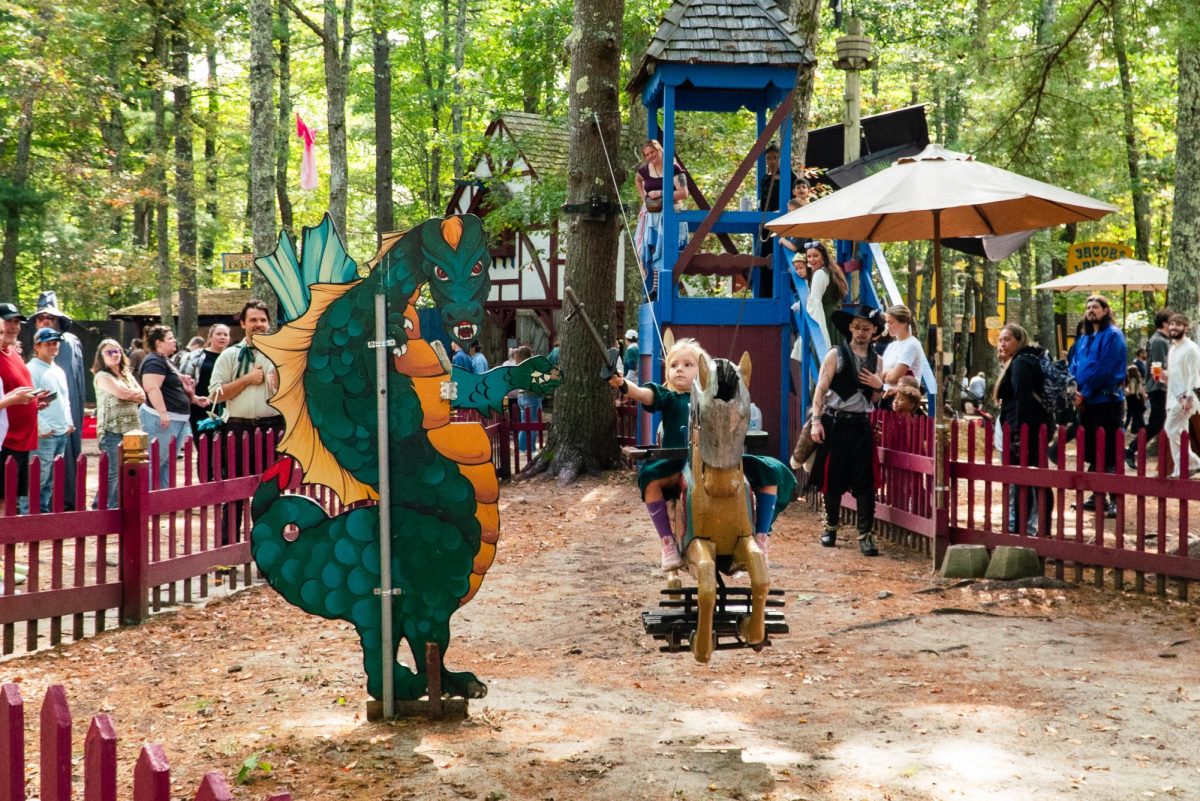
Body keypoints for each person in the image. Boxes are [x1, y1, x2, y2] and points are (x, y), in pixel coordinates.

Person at [608, 338, 794, 568]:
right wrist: (623, 384)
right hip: (677, 464)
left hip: (718, 461)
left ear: (703, 372)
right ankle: (667, 543)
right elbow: (642, 394)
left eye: (688, 365)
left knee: (772, 472)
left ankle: (761, 537)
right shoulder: (668, 397)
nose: (679, 369)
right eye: (674, 365)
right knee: (649, 480)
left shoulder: (715, 399)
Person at [807, 304, 886, 556]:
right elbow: (820, 388)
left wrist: (879, 384)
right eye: (856, 327)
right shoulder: (836, 355)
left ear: (874, 330)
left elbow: (874, 400)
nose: (861, 333)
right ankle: (830, 526)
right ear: (850, 328)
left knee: (866, 482)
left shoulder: (878, 360)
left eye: (866, 328)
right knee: (833, 478)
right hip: (836, 422)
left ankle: (865, 535)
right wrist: (817, 421)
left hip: (861, 425)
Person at [208, 300, 283, 545]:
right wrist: (247, 380)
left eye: (262, 320)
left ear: (269, 322)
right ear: (243, 324)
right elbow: (215, 395)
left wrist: (279, 384)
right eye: (253, 320)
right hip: (237, 431)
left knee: (269, 494)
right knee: (234, 493)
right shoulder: (230, 355)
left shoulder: (280, 354)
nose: (259, 324)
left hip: (271, 430)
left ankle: (266, 553)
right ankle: (228, 553)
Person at [994, 324, 1054, 535]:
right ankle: (1033, 527)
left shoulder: (1021, 363)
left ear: (1019, 341)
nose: (1002, 344)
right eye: (1000, 339)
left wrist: (1019, 435)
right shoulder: (1023, 361)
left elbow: (1023, 400)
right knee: (1035, 479)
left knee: (1026, 481)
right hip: (1030, 429)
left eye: (1007, 339)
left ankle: (1023, 529)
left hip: (1027, 431)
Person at [1070, 295, 1126, 515]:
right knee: (1094, 451)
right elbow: (1075, 364)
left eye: (1095, 307)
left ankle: (1114, 499)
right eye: (1088, 307)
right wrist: (1074, 389)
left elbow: (1104, 369)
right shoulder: (1085, 338)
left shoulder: (1113, 335)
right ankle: (1097, 496)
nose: (1091, 310)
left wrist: (1086, 392)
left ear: (1105, 310)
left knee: (1109, 450)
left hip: (1105, 401)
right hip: (1086, 401)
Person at [31, 292, 86, 510]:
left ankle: (60, 504)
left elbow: (70, 390)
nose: (45, 320)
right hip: (39, 422)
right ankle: (35, 510)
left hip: (60, 421)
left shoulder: (68, 344)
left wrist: (67, 420)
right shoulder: (30, 345)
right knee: (40, 470)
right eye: (41, 317)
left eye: (50, 317)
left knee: (56, 467)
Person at [138, 325, 197, 489]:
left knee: (167, 463)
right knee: (155, 461)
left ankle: (161, 500)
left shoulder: (166, 361)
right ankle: (147, 498)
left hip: (176, 419)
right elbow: (152, 387)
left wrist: (194, 397)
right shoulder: (153, 361)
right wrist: (163, 413)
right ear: (158, 342)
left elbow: (173, 389)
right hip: (161, 419)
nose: (174, 341)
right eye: (170, 338)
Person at [91, 337, 145, 508]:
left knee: (127, 471)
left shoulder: (126, 374)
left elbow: (142, 395)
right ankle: (105, 506)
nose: (114, 355)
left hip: (132, 430)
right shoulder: (102, 375)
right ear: (101, 356)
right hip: (112, 430)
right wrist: (131, 394)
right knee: (113, 472)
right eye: (109, 352)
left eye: (117, 351)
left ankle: (112, 505)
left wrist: (131, 393)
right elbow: (122, 393)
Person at [0, 303, 43, 513]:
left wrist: (34, 402)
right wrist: (14, 400)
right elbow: (9, 397)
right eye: (8, 321)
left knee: (10, 500)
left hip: (20, 441)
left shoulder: (14, 354)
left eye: (17, 322)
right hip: (4, 440)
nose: (13, 327)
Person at [27, 327, 73, 513]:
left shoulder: (58, 370)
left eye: (55, 343)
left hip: (61, 431)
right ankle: (30, 515)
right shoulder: (31, 369)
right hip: (44, 433)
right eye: (48, 344)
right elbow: (29, 402)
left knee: (50, 480)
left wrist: (68, 422)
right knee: (38, 478)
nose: (53, 347)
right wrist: (42, 427)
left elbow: (64, 398)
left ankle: (43, 514)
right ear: (37, 346)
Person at [635, 139, 688, 299]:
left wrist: (660, 193)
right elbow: (637, 180)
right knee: (651, 247)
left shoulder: (673, 168)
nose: (651, 156)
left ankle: (664, 287)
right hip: (652, 216)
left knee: (665, 249)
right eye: (647, 154)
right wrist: (645, 199)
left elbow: (683, 193)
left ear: (660, 150)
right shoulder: (645, 170)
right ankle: (657, 287)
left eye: (653, 152)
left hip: (670, 214)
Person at [1128, 310, 1171, 468]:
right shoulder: (1159, 341)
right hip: (1159, 388)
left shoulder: (1161, 340)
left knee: (1162, 423)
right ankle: (1131, 449)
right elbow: (1157, 367)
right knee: (1157, 423)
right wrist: (1165, 383)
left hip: (1159, 387)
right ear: (1165, 323)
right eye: (1171, 322)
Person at [1162, 312, 1200, 478]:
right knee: (1178, 432)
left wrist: (1190, 398)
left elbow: (1195, 375)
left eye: (1178, 324)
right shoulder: (1172, 350)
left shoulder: (1191, 349)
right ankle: (1182, 468)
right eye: (1171, 324)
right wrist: (1164, 376)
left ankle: (1194, 462)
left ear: (1186, 327)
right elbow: (1176, 375)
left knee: (1170, 428)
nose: (1173, 327)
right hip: (1172, 397)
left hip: (1186, 398)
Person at [180, 323, 231, 440]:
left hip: (226, 409)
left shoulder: (232, 357)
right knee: (204, 445)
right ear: (210, 337)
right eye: (218, 334)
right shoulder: (195, 356)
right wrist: (193, 397)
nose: (222, 337)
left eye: (225, 335)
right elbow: (183, 380)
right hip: (201, 406)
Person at [791, 240, 841, 349]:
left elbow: (814, 303)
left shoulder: (820, 273)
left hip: (827, 320)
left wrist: (822, 337)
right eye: (809, 256)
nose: (811, 259)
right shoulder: (828, 271)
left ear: (823, 257)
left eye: (815, 256)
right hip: (834, 319)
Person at [880, 304, 929, 410]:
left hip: (903, 400)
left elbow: (893, 377)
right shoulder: (892, 345)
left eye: (891, 322)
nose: (887, 326)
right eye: (887, 322)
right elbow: (880, 372)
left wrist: (885, 374)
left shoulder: (911, 344)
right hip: (887, 395)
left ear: (904, 323)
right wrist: (888, 373)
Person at [513, 346, 542, 455]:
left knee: (525, 423)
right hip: (530, 396)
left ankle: (522, 447)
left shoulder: (519, 367)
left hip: (521, 396)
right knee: (532, 424)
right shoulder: (530, 366)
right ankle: (530, 448)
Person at [1124, 364, 1147, 447]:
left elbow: (1132, 392)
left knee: (1130, 416)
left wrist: (1125, 393)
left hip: (1133, 401)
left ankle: (1123, 430)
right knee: (1138, 417)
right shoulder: (1138, 380)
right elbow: (1141, 391)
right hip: (1138, 401)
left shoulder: (1132, 380)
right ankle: (1143, 432)